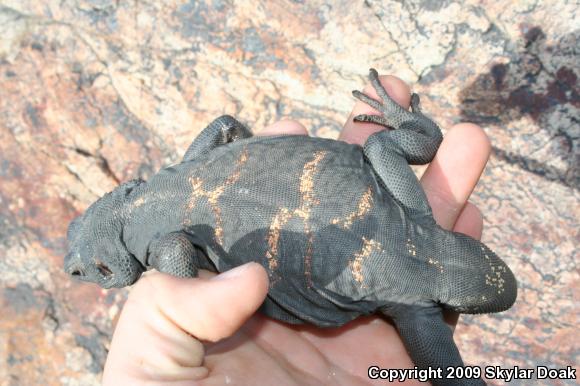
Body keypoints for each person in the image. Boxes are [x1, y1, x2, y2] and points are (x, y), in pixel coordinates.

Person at [102, 74, 491, 385]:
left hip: (397, 274)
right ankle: (422, 132)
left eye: (100, 271)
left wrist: (188, 290)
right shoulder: (179, 176)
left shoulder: (166, 248)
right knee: (380, 147)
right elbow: (225, 127)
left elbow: (176, 259)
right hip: (403, 225)